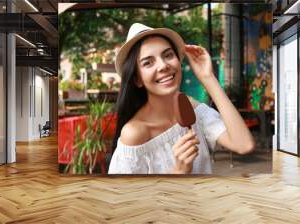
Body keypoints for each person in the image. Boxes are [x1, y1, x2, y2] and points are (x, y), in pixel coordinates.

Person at [108, 23, 254, 174]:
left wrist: (208, 78)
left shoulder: (193, 110)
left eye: (168, 55)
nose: (163, 65)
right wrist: (177, 172)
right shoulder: (134, 133)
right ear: (137, 79)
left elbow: (243, 145)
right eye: (148, 62)